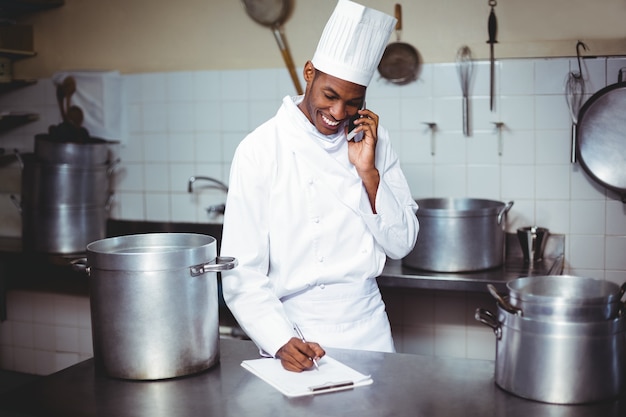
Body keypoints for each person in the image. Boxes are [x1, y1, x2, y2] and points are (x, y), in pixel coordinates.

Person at [220, 0, 419, 372]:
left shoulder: (374, 140)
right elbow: (241, 270)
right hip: (295, 333)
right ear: (309, 72)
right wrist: (278, 339)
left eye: (353, 102)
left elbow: (402, 243)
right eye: (330, 96)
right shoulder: (260, 148)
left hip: (369, 328)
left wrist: (368, 172)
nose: (339, 114)